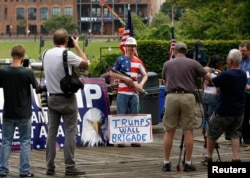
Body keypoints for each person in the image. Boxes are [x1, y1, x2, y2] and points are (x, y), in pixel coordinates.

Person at [43, 28, 88, 176]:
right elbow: (85, 63)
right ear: (66, 41)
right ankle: (70, 166)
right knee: (70, 132)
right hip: (67, 98)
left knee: (51, 133)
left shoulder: (45, 54)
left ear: (53, 41)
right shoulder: (66, 54)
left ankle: (49, 166)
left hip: (52, 97)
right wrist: (76, 45)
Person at [161, 42, 211, 172]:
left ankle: (166, 162)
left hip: (171, 96)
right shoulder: (193, 63)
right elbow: (207, 77)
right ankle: (188, 162)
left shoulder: (167, 64)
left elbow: (165, 80)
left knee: (169, 130)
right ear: (186, 51)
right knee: (188, 130)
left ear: (175, 51)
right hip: (188, 96)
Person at [0, 45, 38, 177]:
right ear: (23, 56)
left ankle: (2, 170)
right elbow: (37, 87)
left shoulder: (3, 72)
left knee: (6, 142)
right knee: (25, 142)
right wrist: (30, 70)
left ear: (12, 55)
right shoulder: (27, 72)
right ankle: (24, 171)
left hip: (8, 112)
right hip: (24, 113)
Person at [206, 49, 247, 162]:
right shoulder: (243, 73)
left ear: (230, 60)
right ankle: (236, 157)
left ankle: (209, 157)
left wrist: (207, 73)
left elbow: (212, 82)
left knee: (211, 132)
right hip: (238, 110)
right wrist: (221, 74)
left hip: (224, 110)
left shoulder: (226, 74)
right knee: (235, 133)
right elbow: (229, 79)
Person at [110, 37, 148, 148]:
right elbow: (112, 73)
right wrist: (125, 79)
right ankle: (121, 139)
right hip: (122, 92)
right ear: (125, 47)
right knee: (121, 115)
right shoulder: (120, 59)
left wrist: (141, 85)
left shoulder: (138, 61)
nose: (131, 48)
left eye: (132, 46)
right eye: (129, 46)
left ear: (135, 47)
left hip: (134, 93)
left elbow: (145, 74)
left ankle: (134, 139)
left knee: (134, 116)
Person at [200, 54, 223, 165]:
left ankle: (205, 139)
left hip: (205, 95)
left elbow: (202, 84)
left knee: (205, 118)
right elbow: (219, 88)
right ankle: (210, 139)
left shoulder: (206, 71)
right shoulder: (219, 73)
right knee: (212, 120)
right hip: (213, 96)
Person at [239, 42, 250, 145]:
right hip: (240, 93)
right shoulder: (238, 61)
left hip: (249, 92)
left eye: (243, 51)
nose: (241, 53)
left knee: (247, 115)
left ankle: (247, 137)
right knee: (241, 116)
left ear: (249, 51)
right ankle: (242, 137)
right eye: (240, 50)